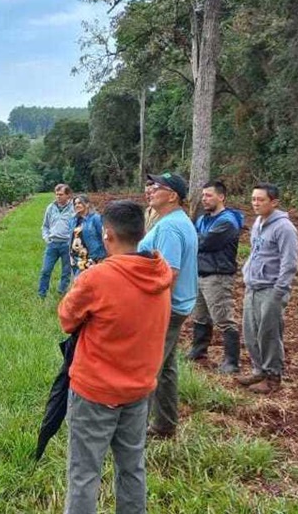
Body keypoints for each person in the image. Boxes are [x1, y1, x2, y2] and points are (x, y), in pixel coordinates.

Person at [58, 200, 172, 514]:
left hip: (95, 391)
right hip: (139, 389)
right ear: (142, 232)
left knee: (84, 472)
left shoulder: (97, 278)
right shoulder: (159, 271)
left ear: (107, 235)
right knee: (132, 466)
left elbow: (67, 319)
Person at [138, 172, 198, 439]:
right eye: (150, 186)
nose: (150, 190)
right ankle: (165, 423)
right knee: (167, 366)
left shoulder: (170, 227)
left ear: (173, 196)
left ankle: (133, 434)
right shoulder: (175, 221)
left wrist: (153, 311)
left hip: (167, 307)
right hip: (178, 306)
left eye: (157, 187)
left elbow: (168, 275)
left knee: (148, 368)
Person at [237, 183, 298, 394]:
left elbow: (289, 263)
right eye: (253, 199)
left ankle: (273, 377)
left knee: (269, 334)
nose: (255, 203)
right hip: (253, 286)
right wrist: (247, 273)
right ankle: (259, 371)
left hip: (272, 289)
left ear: (274, 202)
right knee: (251, 331)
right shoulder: (257, 223)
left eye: (260, 200)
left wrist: (279, 291)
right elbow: (255, 252)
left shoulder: (284, 228)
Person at [189, 181, 245, 374]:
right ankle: (198, 350)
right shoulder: (203, 219)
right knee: (200, 316)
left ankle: (231, 361)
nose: (204, 199)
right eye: (203, 195)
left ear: (221, 197)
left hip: (218, 276)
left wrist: (193, 240)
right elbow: (196, 239)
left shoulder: (227, 221)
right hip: (200, 273)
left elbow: (204, 242)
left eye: (209, 195)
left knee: (223, 318)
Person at [39, 184, 75, 297]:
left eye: (61, 194)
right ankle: (42, 293)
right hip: (53, 244)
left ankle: (62, 292)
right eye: (57, 194)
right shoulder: (51, 208)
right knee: (45, 270)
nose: (58, 197)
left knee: (66, 271)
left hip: (67, 244)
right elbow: (45, 226)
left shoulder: (73, 208)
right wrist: (46, 237)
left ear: (68, 195)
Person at [69, 194, 106, 277]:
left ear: (87, 204)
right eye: (75, 204)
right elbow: (72, 238)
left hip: (92, 258)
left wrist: (102, 256)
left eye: (80, 203)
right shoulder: (73, 220)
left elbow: (104, 237)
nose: (77, 205)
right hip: (77, 258)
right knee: (78, 283)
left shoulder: (95, 218)